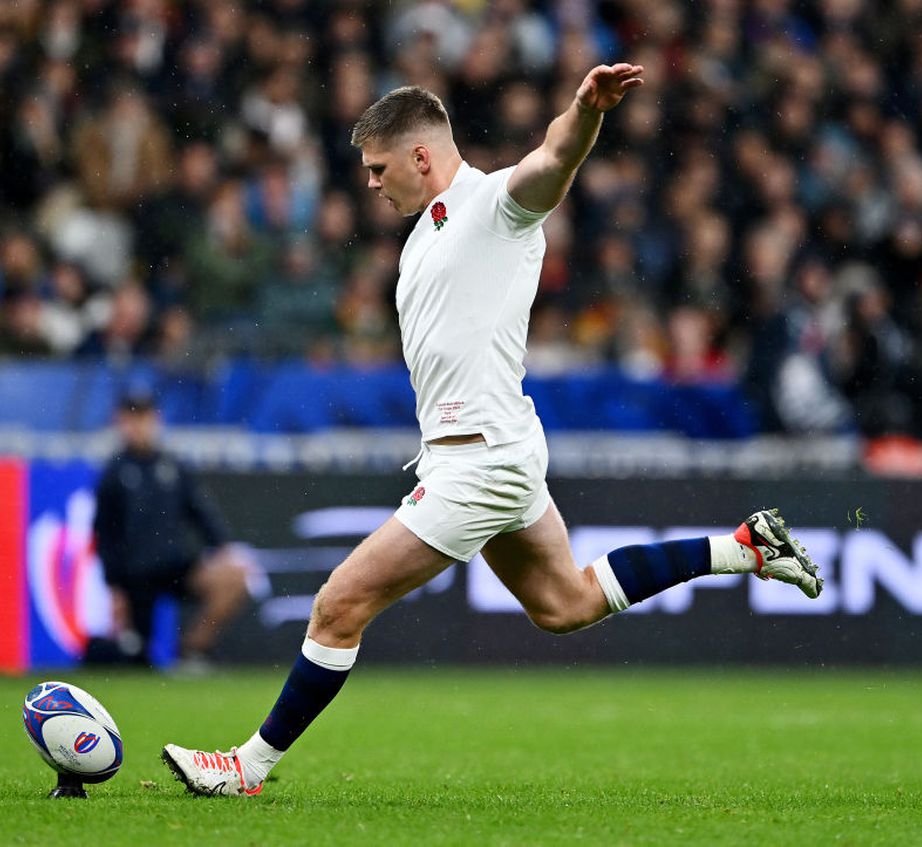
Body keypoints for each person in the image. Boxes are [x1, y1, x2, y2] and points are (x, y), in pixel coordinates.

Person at [162, 63, 822, 795]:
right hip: (491, 448)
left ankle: (247, 767)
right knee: (564, 603)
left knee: (338, 603)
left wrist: (586, 113)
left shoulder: (491, 205)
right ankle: (742, 548)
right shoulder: (421, 239)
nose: (372, 183)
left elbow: (552, 160)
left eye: (380, 168)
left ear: (421, 155)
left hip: (481, 461)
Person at [92, 387, 251, 669]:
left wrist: (225, 548)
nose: (139, 426)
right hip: (135, 576)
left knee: (234, 580)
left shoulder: (172, 466)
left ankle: (193, 649)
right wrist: (114, 585)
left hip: (175, 565)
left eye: (144, 417)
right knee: (137, 660)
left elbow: (200, 512)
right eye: (132, 418)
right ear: (120, 423)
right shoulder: (114, 472)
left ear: (156, 420)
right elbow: (105, 533)